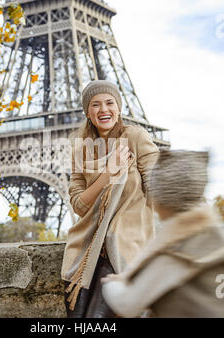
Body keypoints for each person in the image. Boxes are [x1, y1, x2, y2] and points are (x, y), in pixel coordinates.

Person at [61, 80, 159, 318]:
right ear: (87, 111)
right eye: (95, 104)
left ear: (118, 107)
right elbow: (79, 206)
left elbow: (160, 191)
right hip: (85, 250)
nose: (103, 110)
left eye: (109, 102)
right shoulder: (80, 149)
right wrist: (108, 173)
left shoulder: (135, 137)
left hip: (125, 246)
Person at [101, 149, 224, 318]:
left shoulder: (175, 253)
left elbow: (127, 303)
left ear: (162, 199)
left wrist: (113, 285)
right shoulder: (215, 235)